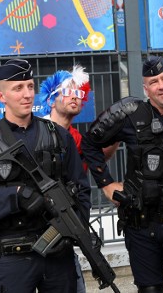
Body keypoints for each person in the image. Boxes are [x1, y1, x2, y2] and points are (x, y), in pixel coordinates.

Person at [0, 59, 91, 293]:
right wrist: (14, 197)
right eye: (18, 88)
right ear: (1, 96)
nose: (27, 94)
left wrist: (69, 230)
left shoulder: (58, 137)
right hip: (13, 258)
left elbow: (82, 191)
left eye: (30, 86)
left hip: (59, 257)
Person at [81, 55, 163, 293]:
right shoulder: (130, 113)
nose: (161, 85)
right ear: (145, 88)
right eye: (153, 82)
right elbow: (89, 143)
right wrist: (107, 184)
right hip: (140, 226)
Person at [38, 65, 118, 293]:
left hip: (61, 230)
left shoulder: (76, 138)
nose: (75, 96)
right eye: (68, 91)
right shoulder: (34, 131)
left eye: (79, 93)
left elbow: (97, 159)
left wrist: (116, 135)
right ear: (52, 100)